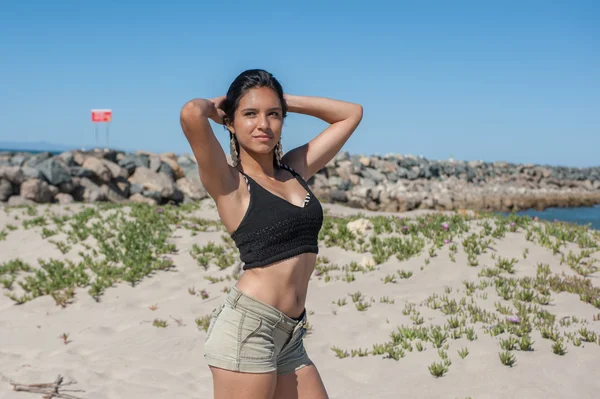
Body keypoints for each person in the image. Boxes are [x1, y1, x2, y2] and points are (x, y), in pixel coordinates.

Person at [179, 69, 363, 399]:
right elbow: (191, 113)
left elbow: (350, 114)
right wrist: (218, 105)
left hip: (291, 334)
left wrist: (279, 99)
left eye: (273, 115)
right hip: (249, 329)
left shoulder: (295, 168)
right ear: (230, 123)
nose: (264, 124)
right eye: (250, 114)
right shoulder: (229, 184)